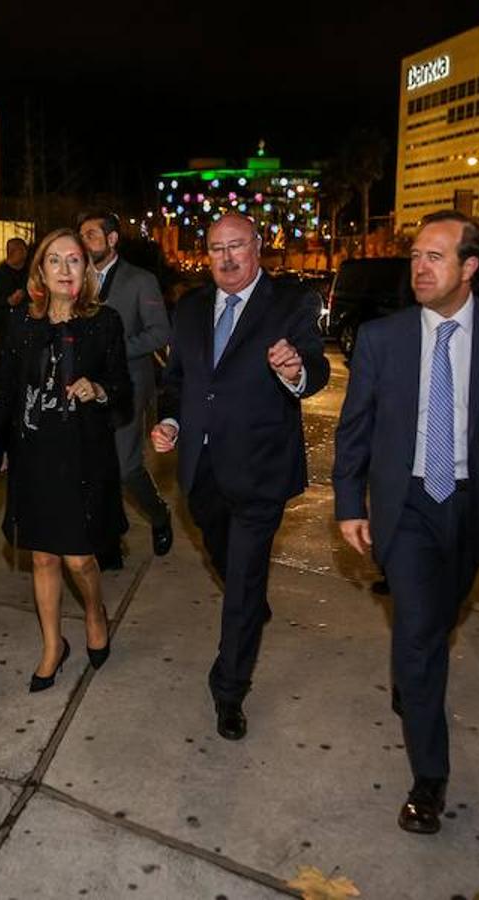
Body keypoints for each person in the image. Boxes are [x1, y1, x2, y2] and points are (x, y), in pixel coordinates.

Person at [333, 210, 479, 835]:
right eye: (415, 255)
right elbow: (354, 429)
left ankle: (412, 676)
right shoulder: (383, 340)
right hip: (406, 505)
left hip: (472, 504)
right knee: (417, 631)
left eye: (435, 257)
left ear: (470, 267)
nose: (419, 267)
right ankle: (429, 778)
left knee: (441, 616)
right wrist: (349, 504)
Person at [150, 213, 329, 741]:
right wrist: (169, 419)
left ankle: (230, 688)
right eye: (216, 249)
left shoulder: (290, 303)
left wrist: (294, 370)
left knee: (243, 584)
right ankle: (250, 603)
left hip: (260, 469)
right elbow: (177, 380)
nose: (227, 258)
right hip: (201, 469)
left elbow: (314, 368)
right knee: (221, 552)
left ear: (258, 248)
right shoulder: (191, 306)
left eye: (237, 246)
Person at [0, 229, 131, 691]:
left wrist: (99, 389)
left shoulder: (104, 322)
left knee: (79, 561)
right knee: (43, 559)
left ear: (86, 271)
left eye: (75, 261)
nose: (66, 270)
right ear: (41, 273)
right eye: (55, 261)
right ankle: (53, 645)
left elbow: (125, 391)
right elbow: (7, 390)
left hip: (82, 458)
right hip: (34, 456)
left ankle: (94, 610)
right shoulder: (21, 324)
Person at [78, 211, 172, 569]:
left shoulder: (141, 280)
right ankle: (109, 542)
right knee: (93, 467)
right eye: (81, 234)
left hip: (128, 387)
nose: (84, 241)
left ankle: (159, 514)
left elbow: (159, 333)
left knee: (125, 467)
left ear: (112, 239)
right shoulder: (75, 277)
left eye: (91, 234)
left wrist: (115, 349)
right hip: (85, 390)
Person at [0, 237, 30, 311]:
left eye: (23, 249)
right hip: (5, 315)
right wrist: (7, 300)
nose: (24, 252)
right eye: (20, 250)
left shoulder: (31, 271)